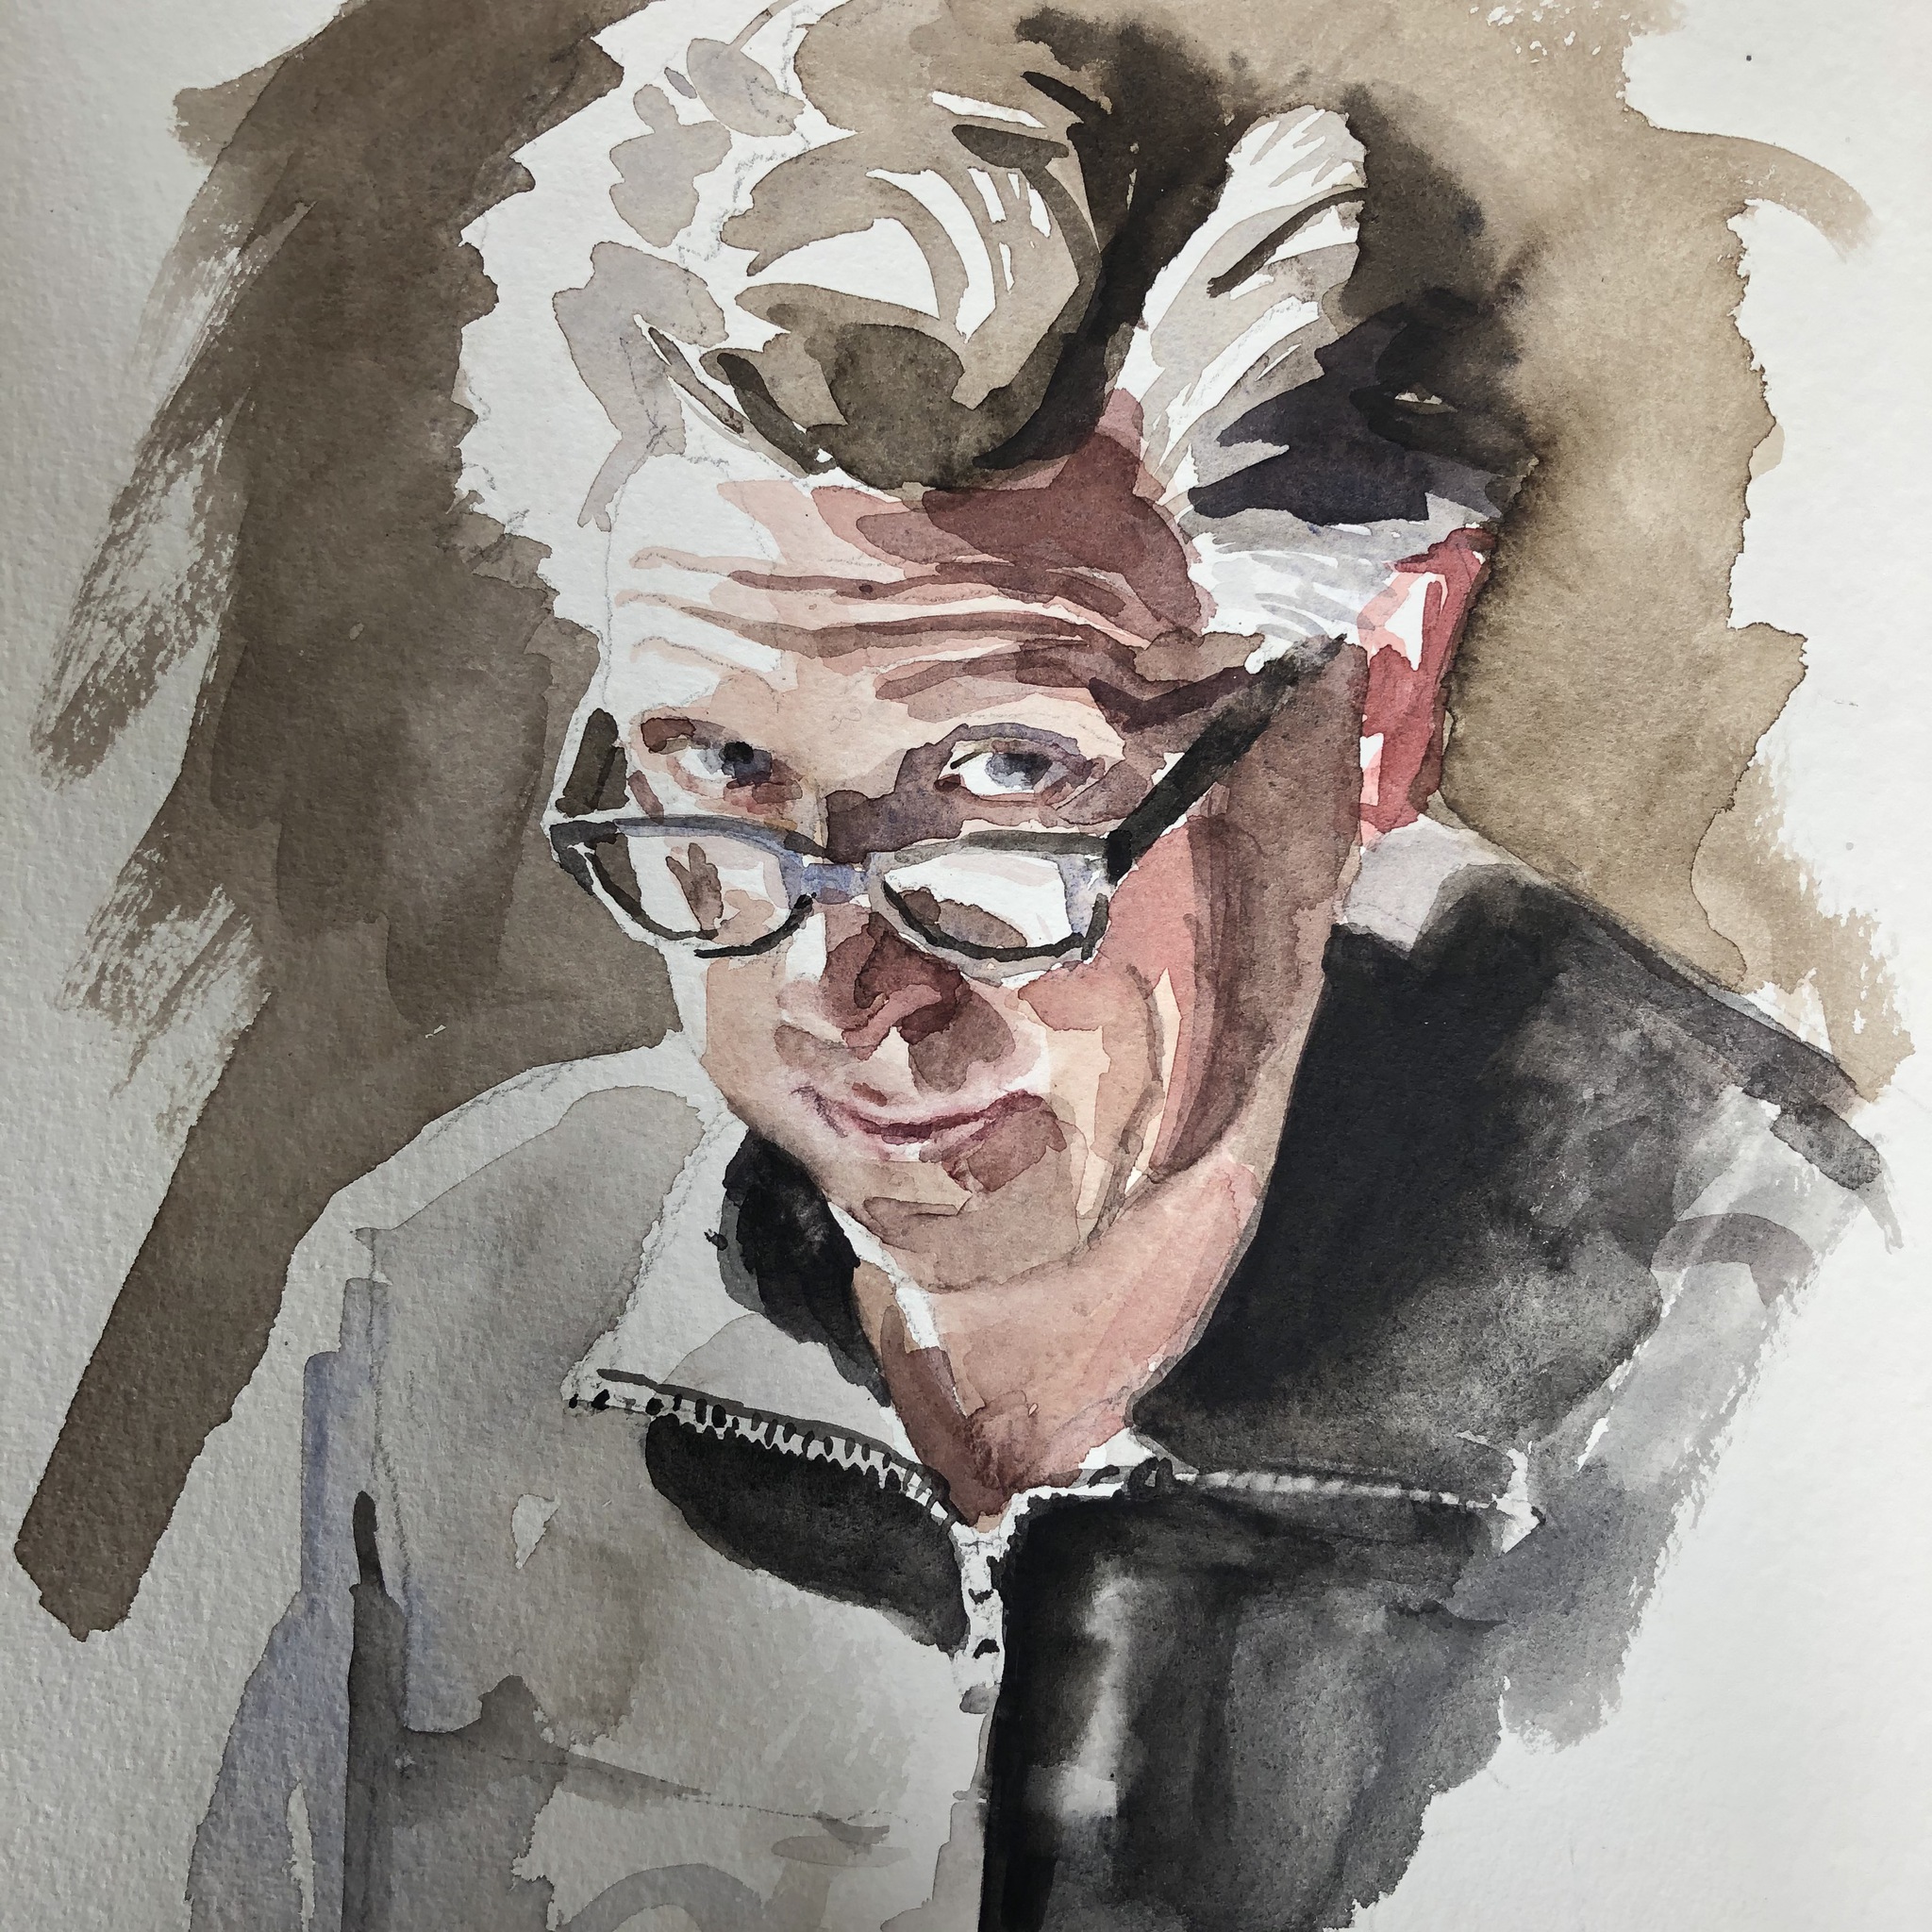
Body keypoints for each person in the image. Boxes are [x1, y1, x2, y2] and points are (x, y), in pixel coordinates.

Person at [23, 2, 1878, 1927]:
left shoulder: (1768, 1355)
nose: (840, 999)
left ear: (1381, 704)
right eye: (720, 767)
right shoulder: (473, 1290)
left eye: (1003, 782)